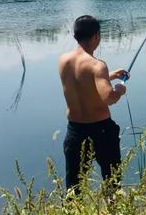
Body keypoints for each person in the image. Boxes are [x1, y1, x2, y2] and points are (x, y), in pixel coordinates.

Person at [59, 15, 129, 192]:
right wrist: (120, 89)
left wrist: (110, 75)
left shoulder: (63, 61)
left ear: (76, 35)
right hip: (101, 131)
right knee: (112, 181)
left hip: (75, 131)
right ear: (96, 36)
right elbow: (109, 97)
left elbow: (81, 80)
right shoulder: (97, 65)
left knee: (74, 187)